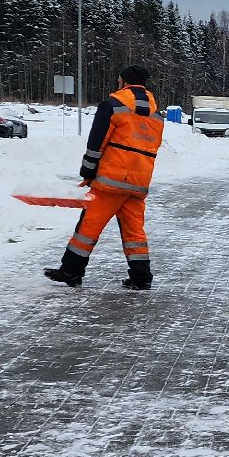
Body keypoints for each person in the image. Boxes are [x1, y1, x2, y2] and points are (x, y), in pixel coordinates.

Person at [44, 66, 162, 290]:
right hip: (138, 183)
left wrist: (87, 171)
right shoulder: (156, 115)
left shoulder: (113, 105)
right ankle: (141, 277)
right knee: (134, 232)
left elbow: (97, 142)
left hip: (110, 182)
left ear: (124, 82)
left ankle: (71, 271)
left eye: (119, 79)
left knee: (88, 227)